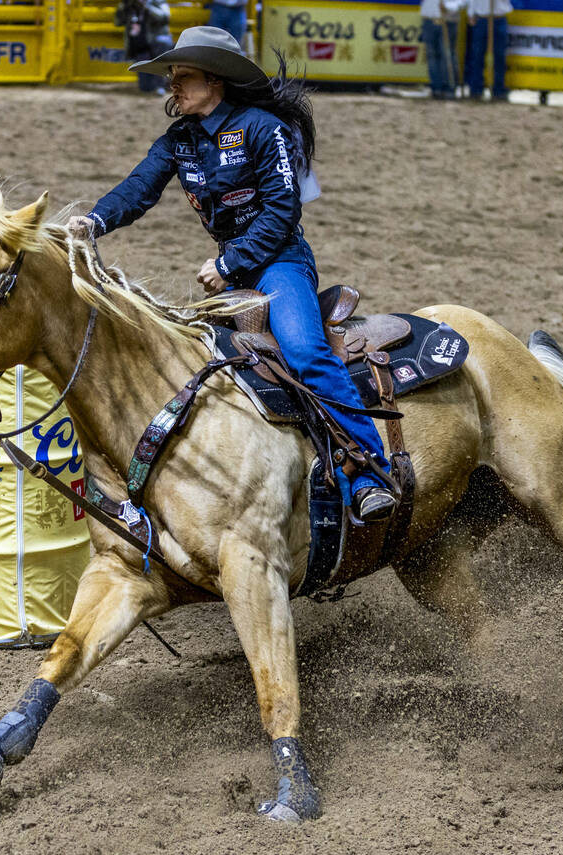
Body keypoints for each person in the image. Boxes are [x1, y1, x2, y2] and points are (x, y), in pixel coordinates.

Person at [67, 27, 397, 523]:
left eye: (183, 77)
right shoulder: (180, 139)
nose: (173, 86)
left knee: (305, 350)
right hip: (234, 275)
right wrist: (95, 221)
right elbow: (139, 187)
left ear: (214, 81)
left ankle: (368, 473)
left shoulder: (264, 129)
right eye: (172, 77)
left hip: (280, 263)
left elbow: (282, 211)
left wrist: (229, 264)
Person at [116, 0, 173, 95]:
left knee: (161, 44)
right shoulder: (129, 4)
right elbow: (117, 22)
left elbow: (165, 17)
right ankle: (157, 84)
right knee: (145, 87)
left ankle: (161, 84)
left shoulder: (157, 1)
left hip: (157, 42)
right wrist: (123, 7)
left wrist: (146, 5)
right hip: (140, 45)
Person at [463, 0, 511, 101]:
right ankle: (476, 90)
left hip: (499, 18)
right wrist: (471, 14)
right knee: (477, 55)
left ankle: (498, 90)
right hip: (482, 19)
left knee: (499, 56)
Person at [420, 0, 464, 100]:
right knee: (431, 55)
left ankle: (450, 87)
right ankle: (436, 87)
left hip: (448, 20)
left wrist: (449, 7)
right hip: (429, 18)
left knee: (447, 54)